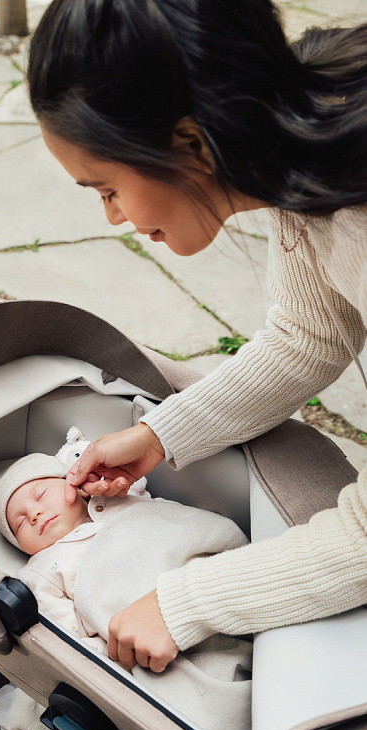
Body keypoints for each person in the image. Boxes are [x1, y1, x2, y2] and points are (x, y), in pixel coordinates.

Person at [27, 0, 367, 674]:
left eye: (106, 188)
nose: (112, 217)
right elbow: (308, 336)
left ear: (190, 142)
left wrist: (187, 601)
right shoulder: (294, 157)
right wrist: (161, 434)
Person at [0, 453, 253, 730]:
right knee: (202, 689)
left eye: (41, 495)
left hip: (195, 576)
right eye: (20, 523)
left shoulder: (117, 497)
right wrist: (108, 659)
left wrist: (92, 475)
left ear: (73, 485)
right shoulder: (41, 571)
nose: (34, 514)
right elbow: (67, 636)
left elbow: (118, 467)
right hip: (140, 633)